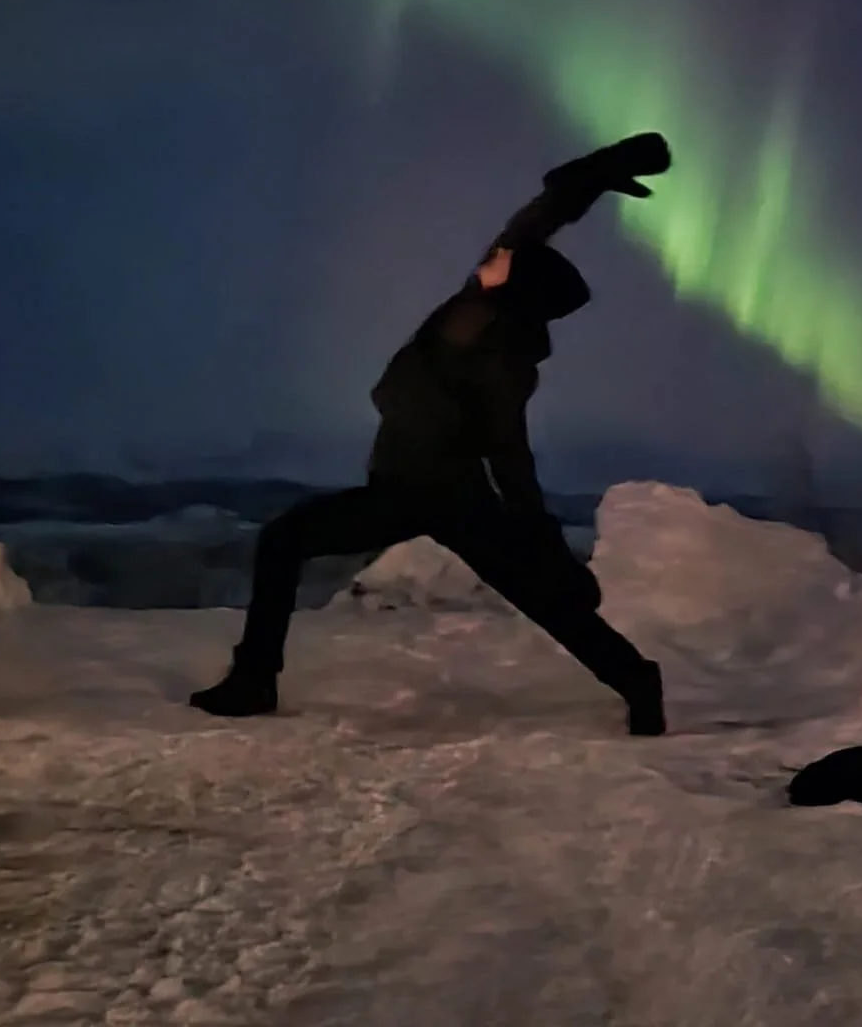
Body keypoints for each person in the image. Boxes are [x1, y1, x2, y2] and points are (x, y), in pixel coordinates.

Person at [189, 131, 672, 735]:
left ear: (514, 289)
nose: (491, 257)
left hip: (446, 494)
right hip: (403, 484)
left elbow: (510, 453)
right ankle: (254, 679)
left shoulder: (500, 357)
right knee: (285, 542)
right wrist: (588, 179)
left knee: (540, 599)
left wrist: (540, 537)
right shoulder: (479, 300)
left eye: (502, 263)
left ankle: (635, 677)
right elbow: (527, 230)